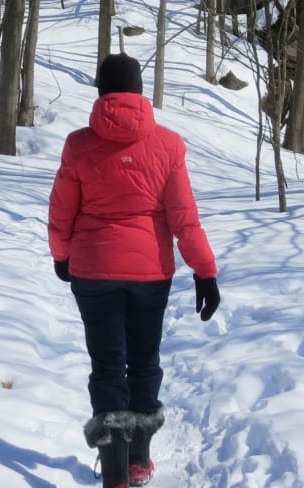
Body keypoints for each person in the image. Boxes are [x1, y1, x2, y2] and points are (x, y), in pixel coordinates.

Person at [48, 53, 220, 488]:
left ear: (102, 92)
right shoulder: (168, 144)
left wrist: (61, 255)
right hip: (150, 274)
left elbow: (61, 210)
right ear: (140, 92)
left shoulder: (79, 144)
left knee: (107, 365)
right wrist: (204, 271)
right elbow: (184, 217)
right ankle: (139, 460)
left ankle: (116, 474)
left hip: (93, 270)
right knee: (143, 360)